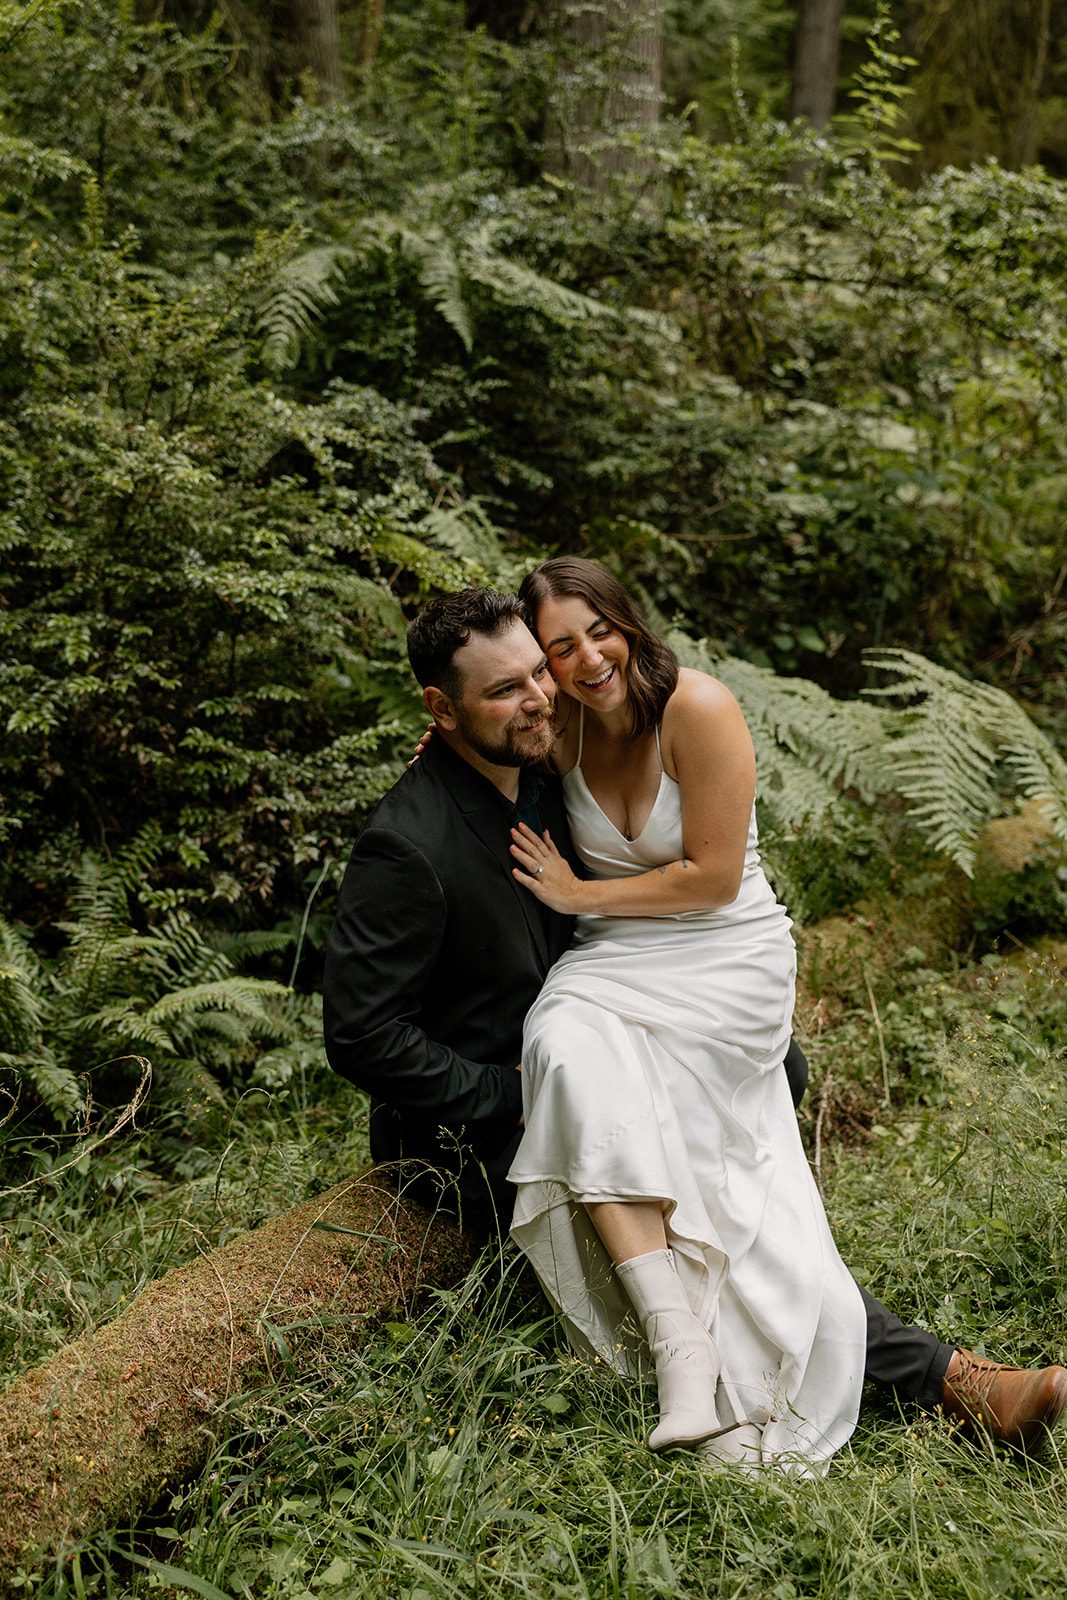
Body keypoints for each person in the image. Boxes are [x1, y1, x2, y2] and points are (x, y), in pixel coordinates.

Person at [323, 582, 1067, 1464]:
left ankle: (884, 1375)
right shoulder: (406, 845)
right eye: (504, 690)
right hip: (485, 1117)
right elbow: (361, 1036)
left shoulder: (537, 762)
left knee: (765, 1083)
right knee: (711, 1182)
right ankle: (950, 1381)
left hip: (610, 1045)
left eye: (538, 673)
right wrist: (503, 1094)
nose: (538, 699)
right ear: (441, 710)